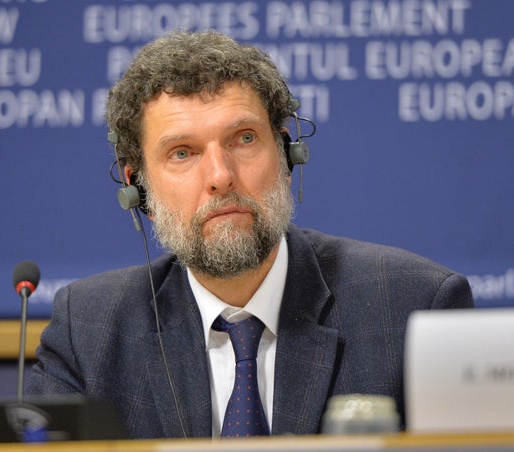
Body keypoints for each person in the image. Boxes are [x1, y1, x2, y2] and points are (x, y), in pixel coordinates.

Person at [26, 30, 474, 439]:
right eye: (183, 153)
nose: (220, 176)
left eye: (243, 139)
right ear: (137, 186)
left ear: (285, 152)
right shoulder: (89, 330)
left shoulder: (413, 307)